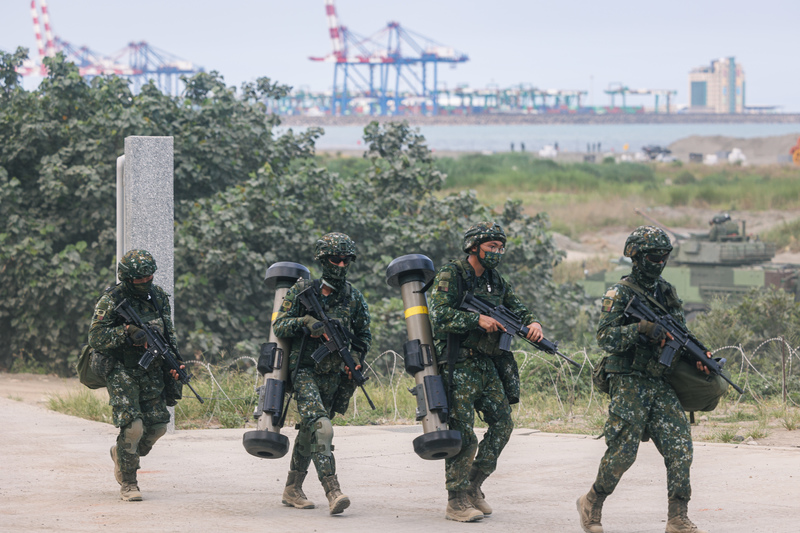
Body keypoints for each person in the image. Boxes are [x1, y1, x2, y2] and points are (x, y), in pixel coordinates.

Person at [576, 226, 711, 533]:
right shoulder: (619, 293)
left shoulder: (665, 291)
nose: (659, 261)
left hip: (659, 380)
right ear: (635, 256)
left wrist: (699, 356)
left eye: (665, 256)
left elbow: (681, 331)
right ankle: (591, 502)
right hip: (628, 379)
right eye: (653, 256)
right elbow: (605, 337)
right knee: (623, 451)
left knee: (681, 448)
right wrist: (640, 330)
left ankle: (677, 517)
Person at [428, 222, 543, 522]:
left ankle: (473, 485)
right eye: (492, 247)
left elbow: (517, 307)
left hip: (486, 363)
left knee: (503, 424)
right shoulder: (451, 274)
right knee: (463, 433)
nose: (497, 252)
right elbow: (439, 316)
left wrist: (533, 323)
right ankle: (456, 501)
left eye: (500, 247)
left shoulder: (495, 279)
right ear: (474, 246)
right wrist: (476, 320)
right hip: (458, 363)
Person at [273, 232, 371, 515]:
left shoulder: (354, 297)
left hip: (334, 376)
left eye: (346, 260)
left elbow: (363, 336)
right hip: (304, 371)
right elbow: (280, 326)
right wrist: (305, 322)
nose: (341, 265)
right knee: (321, 428)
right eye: (335, 260)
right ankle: (333, 490)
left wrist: (355, 359)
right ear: (323, 260)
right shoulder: (304, 292)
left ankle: (292, 488)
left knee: (308, 433)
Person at [89, 249, 185, 502]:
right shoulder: (111, 300)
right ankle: (129, 483)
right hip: (121, 369)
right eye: (138, 280)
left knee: (158, 427)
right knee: (133, 427)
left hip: (151, 368)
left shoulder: (159, 296)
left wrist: (175, 362)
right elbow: (95, 337)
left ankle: (120, 455)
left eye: (148, 278)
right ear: (126, 278)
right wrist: (127, 332)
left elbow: (169, 334)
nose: (144, 283)